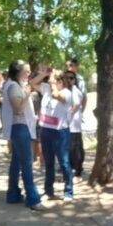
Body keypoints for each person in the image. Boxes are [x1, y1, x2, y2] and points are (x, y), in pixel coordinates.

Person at [2, 60, 43, 211]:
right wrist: (27, 94)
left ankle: (13, 193)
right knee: (26, 163)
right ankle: (32, 198)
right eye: (26, 71)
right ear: (18, 72)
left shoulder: (14, 85)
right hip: (20, 127)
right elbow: (18, 109)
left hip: (20, 127)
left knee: (16, 163)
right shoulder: (13, 86)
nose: (28, 74)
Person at [34, 68, 75, 202]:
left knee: (64, 162)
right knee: (48, 162)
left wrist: (52, 84)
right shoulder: (46, 88)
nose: (53, 81)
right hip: (46, 130)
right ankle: (48, 191)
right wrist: (45, 73)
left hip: (60, 132)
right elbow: (32, 82)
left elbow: (57, 96)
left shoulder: (67, 93)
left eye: (57, 79)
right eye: (52, 78)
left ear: (62, 81)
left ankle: (68, 191)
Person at [66, 58, 87, 175]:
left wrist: (80, 112)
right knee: (68, 143)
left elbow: (83, 98)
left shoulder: (79, 81)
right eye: (67, 65)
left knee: (76, 143)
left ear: (76, 66)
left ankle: (78, 166)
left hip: (74, 118)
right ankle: (69, 164)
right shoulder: (65, 80)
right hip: (67, 120)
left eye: (71, 65)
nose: (68, 68)